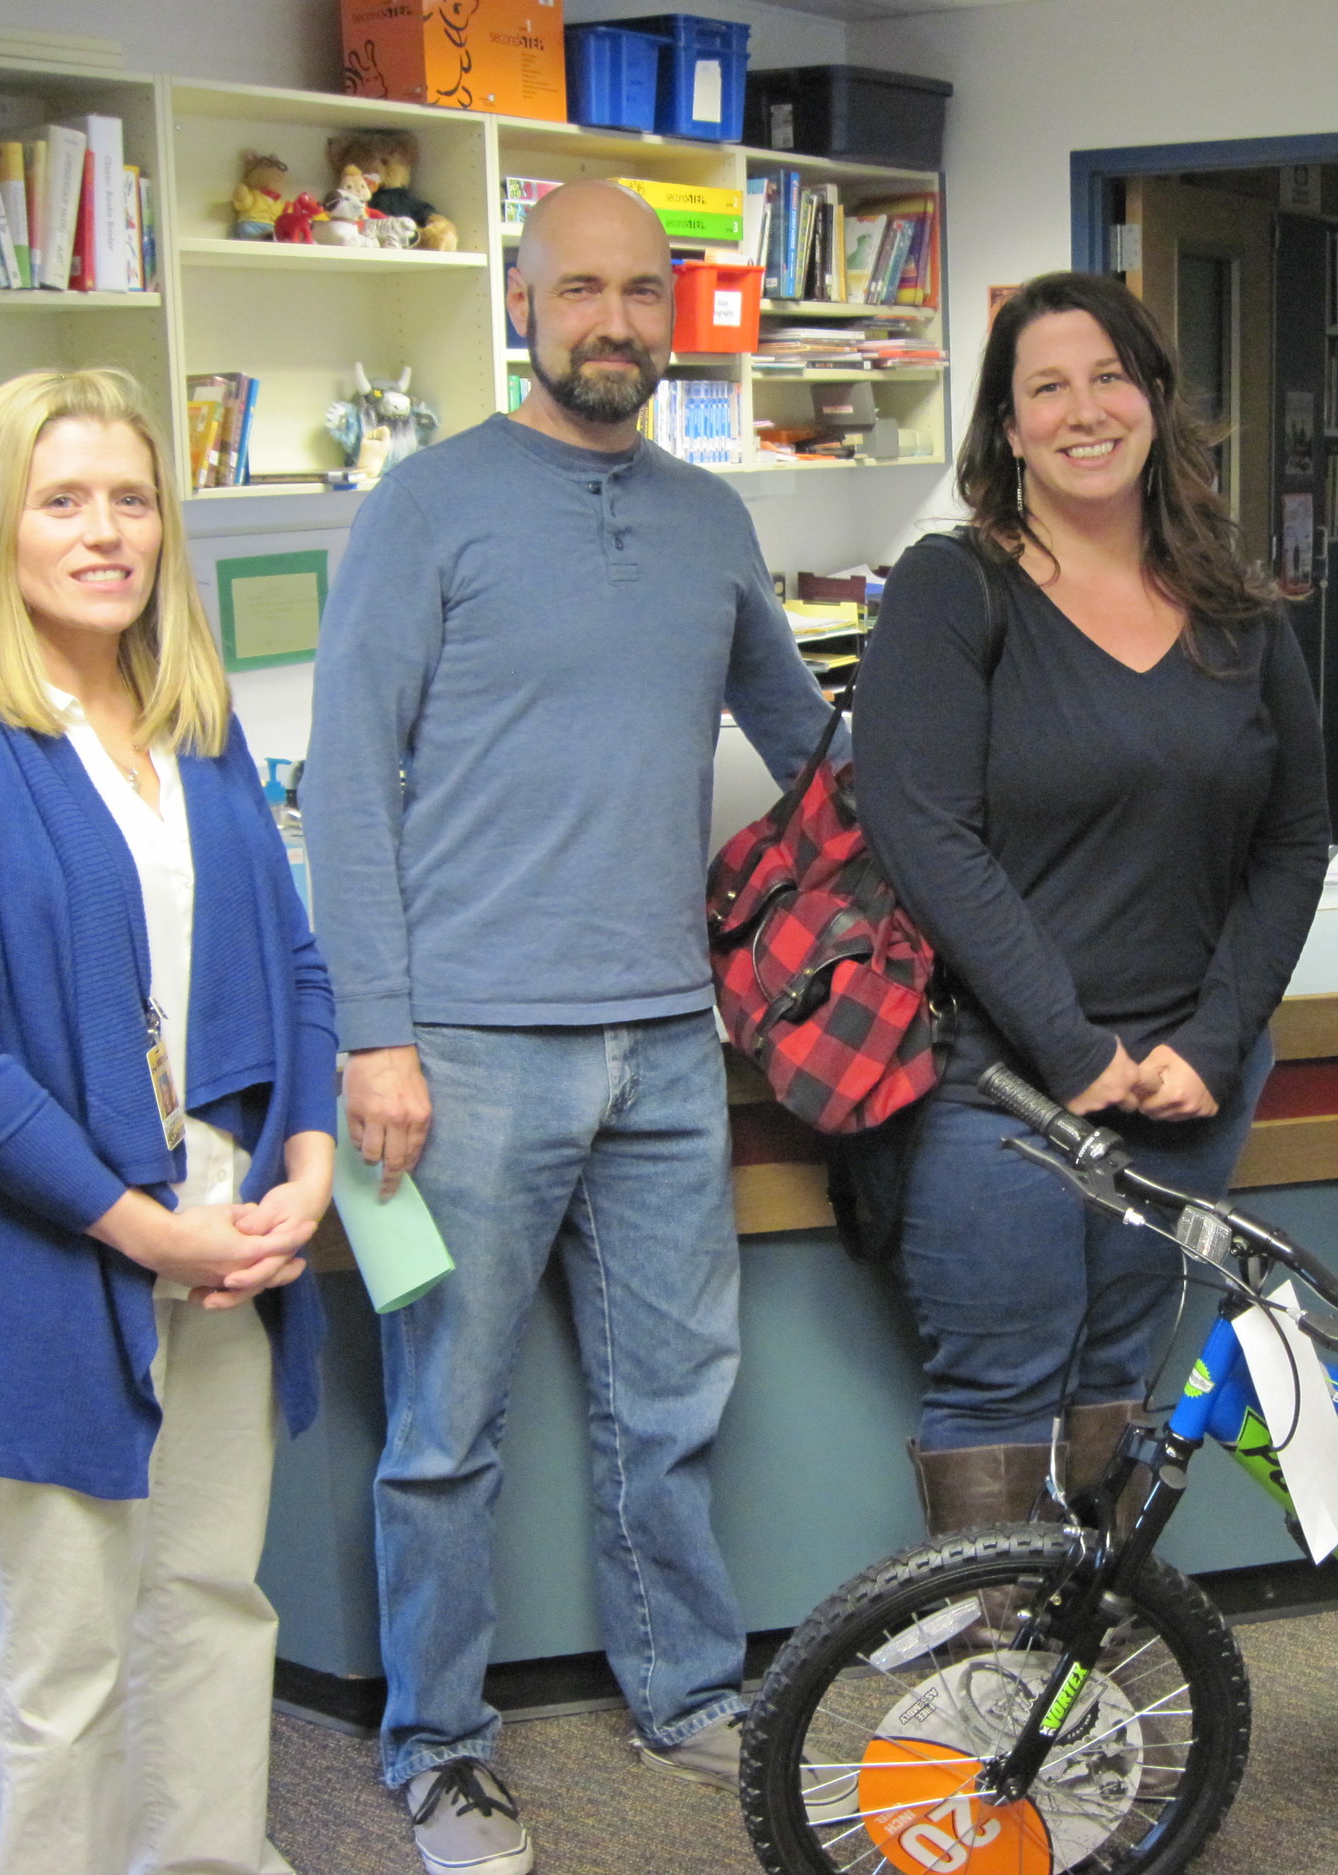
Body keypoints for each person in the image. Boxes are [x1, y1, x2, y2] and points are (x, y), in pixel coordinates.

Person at [303, 179, 832, 1875]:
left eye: (639, 294)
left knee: (671, 1397)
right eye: (578, 289)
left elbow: (815, 752)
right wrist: (375, 1033)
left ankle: (683, 1689)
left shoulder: (709, 519)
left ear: (672, 314)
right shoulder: (426, 508)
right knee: (444, 1429)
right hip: (461, 1050)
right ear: (522, 302)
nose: (612, 320)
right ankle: (440, 1746)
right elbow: (347, 798)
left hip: (668, 1039)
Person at [0, 368, 336, 1875]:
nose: (108, 532)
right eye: (64, 501)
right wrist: (141, 1225)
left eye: (132, 497)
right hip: (51, 1246)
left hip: (231, 1218)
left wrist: (306, 1163)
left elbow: (292, 959)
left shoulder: (195, 713)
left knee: (209, 1593)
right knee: (68, 1654)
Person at [853, 270, 1328, 1536]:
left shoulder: (1237, 608)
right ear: (1006, 428)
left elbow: (1291, 845)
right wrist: (1076, 1051)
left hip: (1184, 1088)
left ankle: (1089, 1694)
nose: (1083, 410)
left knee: (1118, 1383)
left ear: (1156, 400)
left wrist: (1213, 1044)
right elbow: (925, 834)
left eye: (1109, 376)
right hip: (1003, 1087)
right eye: (1044, 387)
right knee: (998, 1384)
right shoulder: (955, 591)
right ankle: (991, 1700)